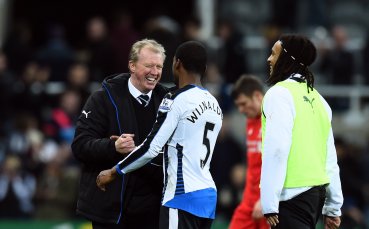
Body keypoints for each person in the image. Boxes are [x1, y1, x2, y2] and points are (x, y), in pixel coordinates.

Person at [96, 41, 223, 229]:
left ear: (176, 63)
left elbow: (151, 148)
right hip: (208, 196)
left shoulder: (175, 99)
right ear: (204, 68)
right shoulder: (214, 104)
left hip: (181, 195)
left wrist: (115, 171)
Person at [71, 39, 170, 229]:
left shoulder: (168, 102)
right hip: (111, 212)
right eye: (148, 65)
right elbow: (80, 146)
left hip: (153, 212)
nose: (155, 72)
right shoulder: (102, 99)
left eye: (159, 66)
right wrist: (112, 147)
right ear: (132, 65)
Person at [260, 34, 344, 229]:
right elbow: (330, 159)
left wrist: (269, 202)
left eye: (274, 54)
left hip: (290, 197)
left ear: (287, 59)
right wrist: (333, 207)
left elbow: (277, 150)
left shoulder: (278, 94)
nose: (269, 59)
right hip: (315, 197)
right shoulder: (320, 100)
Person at [228, 75, 269, 229]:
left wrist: (266, 199)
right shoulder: (250, 121)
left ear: (258, 95)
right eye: (238, 105)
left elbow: (283, 162)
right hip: (249, 201)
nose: (241, 110)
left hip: (270, 202)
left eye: (244, 104)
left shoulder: (276, 119)